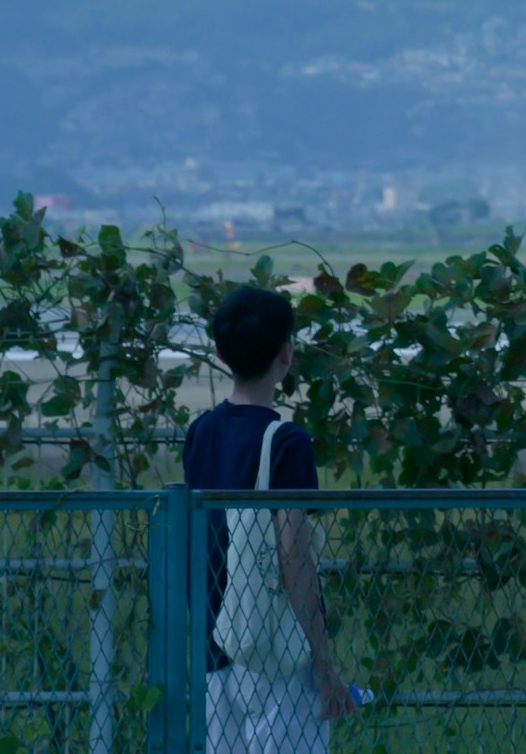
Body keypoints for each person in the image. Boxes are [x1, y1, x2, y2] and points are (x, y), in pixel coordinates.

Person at [186, 285, 352, 746]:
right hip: (276, 652)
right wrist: (324, 664)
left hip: (216, 647)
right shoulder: (287, 443)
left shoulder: (200, 434)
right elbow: (292, 553)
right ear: (286, 353)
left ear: (220, 353)